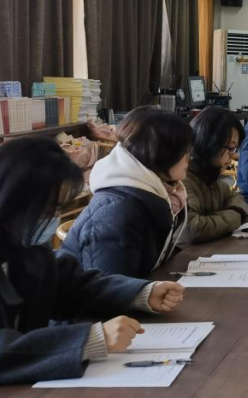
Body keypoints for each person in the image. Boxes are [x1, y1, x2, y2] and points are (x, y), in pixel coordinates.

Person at [0, 138, 186, 398]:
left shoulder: (14, 229)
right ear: (9, 200)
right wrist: (88, 340)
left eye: (56, 209)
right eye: (48, 209)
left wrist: (140, 293)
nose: (52, 219)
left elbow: (66, 285)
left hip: (22, 377)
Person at [62, 107, 192, 278]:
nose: (189, 158)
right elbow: (111, 288)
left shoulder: (157, 191)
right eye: (185, 152)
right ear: (162, 154)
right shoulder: (118, 212)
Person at [181, 106, 248, 245]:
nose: (232, 156)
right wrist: (235, 215)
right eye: (230, 148)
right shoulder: (182, 181)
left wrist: (232, 211)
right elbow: (191, 230)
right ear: (210, 144)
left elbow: (236, 197)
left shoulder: (211, 178)